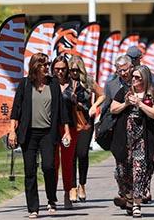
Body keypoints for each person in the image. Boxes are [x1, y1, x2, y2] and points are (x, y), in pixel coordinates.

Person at [9, 53, 72, 218]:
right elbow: (16, 109)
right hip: (28, 134)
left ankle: (51, 200)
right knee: (30, 170)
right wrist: (12, 131)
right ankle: (33, 208)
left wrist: (66, 131)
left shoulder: (53, 84)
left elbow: (62, 111)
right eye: (44, 65)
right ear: (36, 66)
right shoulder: (24, 84)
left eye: (47, 64)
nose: (47, 67)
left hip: (48, 133)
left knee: (49, 167)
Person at [110, 65, 154, 218]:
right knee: (121, 172)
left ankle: (137, 204)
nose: (134, 80)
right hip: (124, 140)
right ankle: (129, 198)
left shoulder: (153, 95)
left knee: (139, 171)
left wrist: (140, 104)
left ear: (145, 79)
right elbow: (113, 109)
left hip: (143, 140)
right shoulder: (125, 92)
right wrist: (126, 104)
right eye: (133, 77)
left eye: (138, 77)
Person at [66, 54, 104, 203]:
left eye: (76, 70)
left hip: (85, 123)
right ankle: (73, 187)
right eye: (71, 70)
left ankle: (82, 184)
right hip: (69, 122)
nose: (74, 73)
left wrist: (94, 106)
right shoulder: (65, 82)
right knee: (71, 156)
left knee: (82, 154)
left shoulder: (87, 81)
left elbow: (102, 95)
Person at [50, 55, 78, 208]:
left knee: (67, 162)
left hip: (70, 128)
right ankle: (52, 196)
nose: (60, 72)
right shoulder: (48, 83)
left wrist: (77, 99)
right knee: (52, 163)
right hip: (53, 128)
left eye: (63, 69)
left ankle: (67, 193)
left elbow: (90, 97)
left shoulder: (73, 84)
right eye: (57, 69)